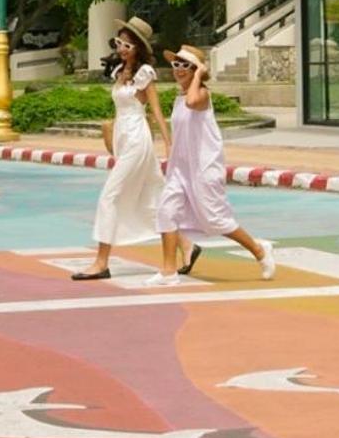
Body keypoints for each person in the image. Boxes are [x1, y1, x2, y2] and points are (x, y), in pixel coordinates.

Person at [148, 45, 274, 288]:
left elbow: (194, 101)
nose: (179, 70)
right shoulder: (179, 97)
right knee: (165, 212)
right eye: (176, 64)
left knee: (215, 220)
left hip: (204, 168)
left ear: (197, 70)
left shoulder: (201, 94)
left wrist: (198, 77)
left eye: (186, 65)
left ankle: (259, 250)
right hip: (180, 169)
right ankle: (167, 271)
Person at [72, 18, 178, 281]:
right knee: (154, 193)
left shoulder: (144, 74)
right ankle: (187, 246)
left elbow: (155, 110)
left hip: (137, 137)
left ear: (138, 48)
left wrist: (169, 143)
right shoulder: (119, 71)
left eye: (127, 45)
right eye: (119, 43)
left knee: (110, 196)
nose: (121, 49)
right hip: (123, 135)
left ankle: (101, 261)